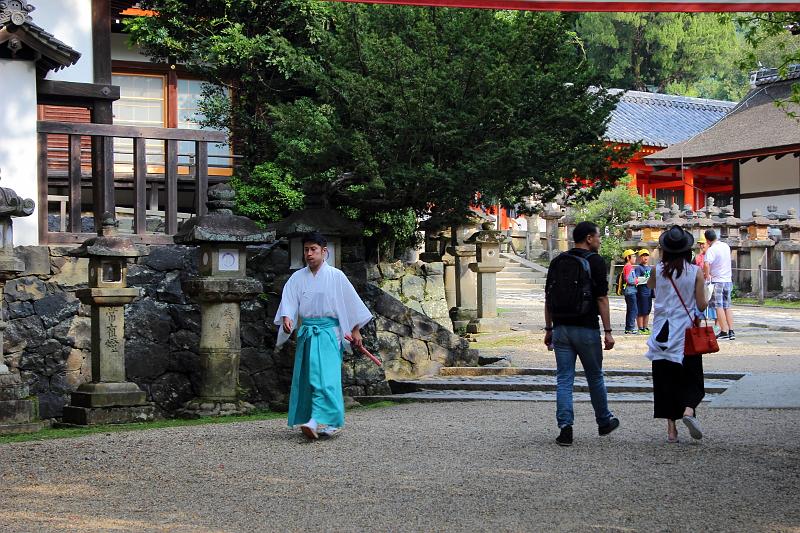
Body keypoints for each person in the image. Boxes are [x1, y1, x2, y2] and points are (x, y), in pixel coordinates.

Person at [274, 231, 373, 440]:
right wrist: (286, 318)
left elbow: (351, 303)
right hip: (307, 333)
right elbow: (289, 301)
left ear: (324, 252)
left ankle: (317, 420)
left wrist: (355, 330)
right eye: (306, 250)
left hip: (329, 333)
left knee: (325, 378)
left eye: (313, 249)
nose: (309, 254)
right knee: (309, 378)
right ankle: (323, 420)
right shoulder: (297, 278)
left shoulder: (337, 276)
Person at [544, 221, 620, 447]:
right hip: (586, 327)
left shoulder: (558, 261)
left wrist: (549, 328)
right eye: (598, 236)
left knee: (564, 379)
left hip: (561, 328)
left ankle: (565, 428)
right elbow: (601, 298)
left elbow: (548, 298)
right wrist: (608, 331)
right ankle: (604, 421)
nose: (599, 240)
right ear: (588, 238)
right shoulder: (595, 261)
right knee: (595, 376)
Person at [645, 225, 708, 443]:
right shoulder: (695, 272)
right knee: (692, 377)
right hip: (685, 334)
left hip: (662, 332)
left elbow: (650, 285)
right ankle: (689, 410)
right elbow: (701, 303)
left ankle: (671, 430)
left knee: (664, 381)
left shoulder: (658, 270)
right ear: (686, 250)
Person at [703, 229, 735, 340]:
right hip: (727, 279)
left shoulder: (711, 250)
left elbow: (706, 264)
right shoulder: (725, 246)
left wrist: (707, 275)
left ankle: (724, 330)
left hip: (717, 280)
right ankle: (731, 330)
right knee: (727, 306)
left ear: (707, 240)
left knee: (718, 306)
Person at [635, 249, 654, 334]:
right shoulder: (638, 268)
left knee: (647, 310)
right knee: (641, 311)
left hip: (649, 292)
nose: (645, 257)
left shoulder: (650, 268)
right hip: (641, 292)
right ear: (640, 257)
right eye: (643, 255)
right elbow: (637, 279)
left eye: (646, 255)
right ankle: (640, 328)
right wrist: (648, 279)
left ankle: (646, 327)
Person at [622, 249, 639, 334]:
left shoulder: (628, 266)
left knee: (630, 310)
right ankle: (630, 328)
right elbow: (629, 280)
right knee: (633, 310)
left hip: (629, 291)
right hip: (630, 291)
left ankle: (628, 328)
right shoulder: (628, 266)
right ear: (628, 258)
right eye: (633, 256)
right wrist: (637, 281)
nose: (635, 258)